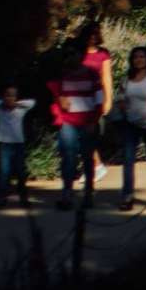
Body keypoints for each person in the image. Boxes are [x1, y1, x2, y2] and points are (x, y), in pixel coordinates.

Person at [45, 54, 102, 209]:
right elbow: (54, 91)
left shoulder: (91, 73)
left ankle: (88, 193)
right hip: (67, 120)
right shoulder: (62, 74)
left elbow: (99, 98)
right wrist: (59, 99)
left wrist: (94, 120)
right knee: (68, 157)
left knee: (87, 157)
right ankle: (67, 193)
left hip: (87, 121)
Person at [116, 46, 146, 211]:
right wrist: (122, 105)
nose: (139, 60)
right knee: (128, 161)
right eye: (136, 57)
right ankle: (127, 196)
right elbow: (120, 97)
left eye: (142, 57)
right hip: (131, 124)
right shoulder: (126, 79)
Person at [0, 84, 35, 208]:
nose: (10, 98)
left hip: (18, 144)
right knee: (5, 172)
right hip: (5, 145)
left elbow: (31, 103)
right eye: (7, 95)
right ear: (4, 96)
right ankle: (2, 198)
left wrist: (15, 103)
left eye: (13, 95)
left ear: (16, 97)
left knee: (21, 172)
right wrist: (3, 102)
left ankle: (23, 198)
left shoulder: (21, 109)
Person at [77, 22, 114, 185]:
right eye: (89, 34)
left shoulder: (103, 54)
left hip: (95, 97)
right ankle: (95, 166)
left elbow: (106, 78)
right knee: (79, 134)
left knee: (88, 133)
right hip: (78, 97)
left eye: (95, 34)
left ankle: (94, 167)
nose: (92, 37)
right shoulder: (78, 53)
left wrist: (108, 100)